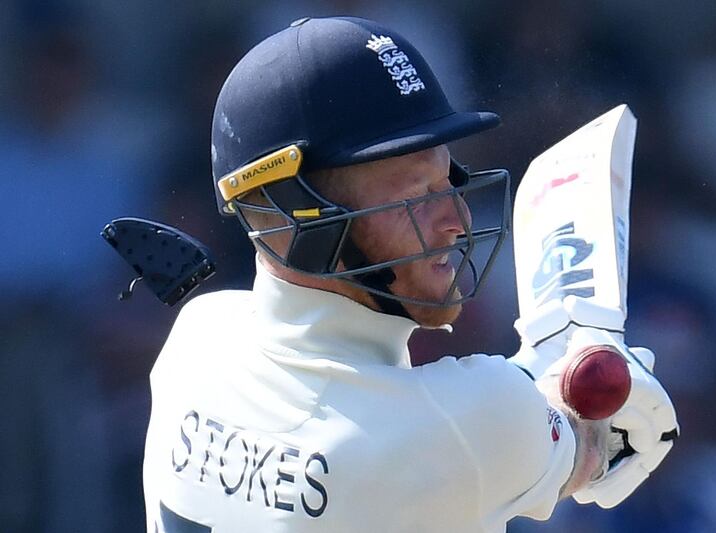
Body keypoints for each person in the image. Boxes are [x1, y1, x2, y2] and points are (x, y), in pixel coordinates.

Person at [142, 16, 677, 533]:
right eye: (411, 195)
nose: (456, 220)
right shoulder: (470, 422)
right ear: (298, 216)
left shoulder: (197, 337)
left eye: (448, 180)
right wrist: (591, 378)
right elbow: (588, 448)